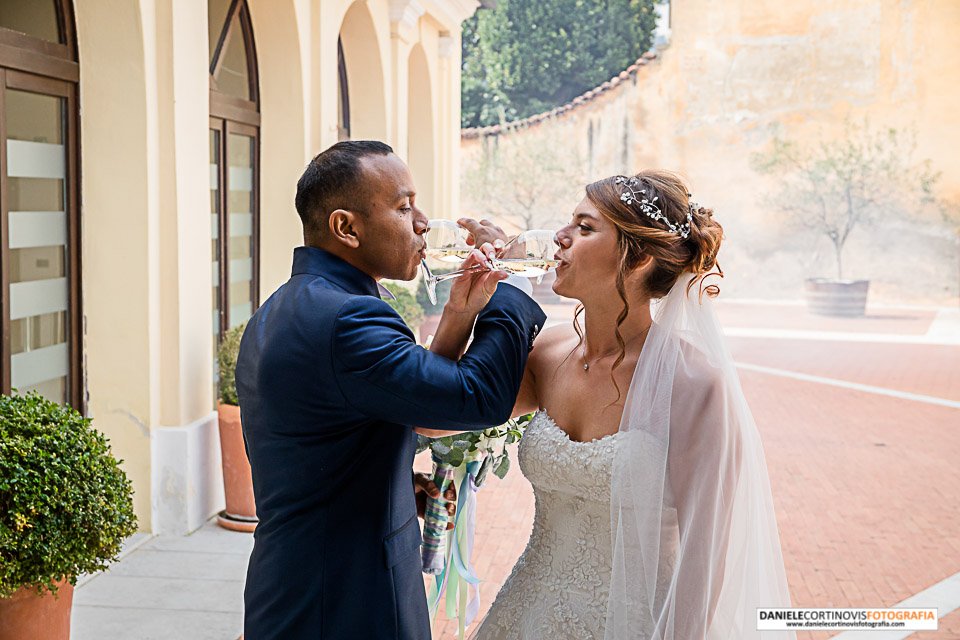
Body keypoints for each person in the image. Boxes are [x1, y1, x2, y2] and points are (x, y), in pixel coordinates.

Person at [425, 170, 794, 639]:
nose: (558, 237)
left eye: (584, 228)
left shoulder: (694, 383)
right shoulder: (547, 354)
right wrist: (462, 310)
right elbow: (434, 416)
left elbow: (705, 558)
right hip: (527, 614)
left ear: (636, 257)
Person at [235, 140, 546, 640]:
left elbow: (415, 405)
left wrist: (459, 316)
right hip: (344, 596)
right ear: (346, 227)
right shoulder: (347, 319)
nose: (422, 222)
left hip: (305, 577)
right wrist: (510, 284)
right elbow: (475, 398)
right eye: (403, 207)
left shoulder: (292, 305)